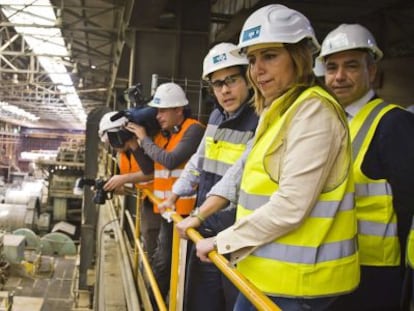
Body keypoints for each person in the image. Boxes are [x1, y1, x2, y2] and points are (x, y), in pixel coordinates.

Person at [179, 4, 360, 310]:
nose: (257, 70)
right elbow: (242, 169)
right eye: (251, 60)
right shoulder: (279, 110)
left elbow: (291, 205)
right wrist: (199, 216)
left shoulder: (313, 111)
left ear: (299, 56)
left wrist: (223, 241)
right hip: (267, 274)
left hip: (301, 284)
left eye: (270, 56)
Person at [318, 23, 414, 311]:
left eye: (351, 66)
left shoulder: (392, 123)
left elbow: (408, 203)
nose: (339, 77)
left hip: (376, 271)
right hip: (334, 263)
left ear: (371, 72)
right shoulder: (332, 121)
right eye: (332, 68)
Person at [159, 43, 258, 311]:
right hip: (204, 230)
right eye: (217, 84)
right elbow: (198, 161)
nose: (225, 90)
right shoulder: (216, 116)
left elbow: (236, 178)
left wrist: (199, 214)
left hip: (237, 238)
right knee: (200, 303)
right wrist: (175, 195)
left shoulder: (260, 119)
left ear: (248, 77)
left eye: (232, 80)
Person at [125, 82, 205, 303]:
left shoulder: (194, 129)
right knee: (164, 264)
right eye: (156, 111)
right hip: (169, 213)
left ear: (179, 110)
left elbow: (170, 160)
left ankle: (153, 304)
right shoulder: (164, 136)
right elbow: (149, 168)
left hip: (186, 214)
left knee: (169, 266)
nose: (158, 116)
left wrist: (144, 138)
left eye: (162, 110)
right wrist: (134, 144)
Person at [98, 111, 162, 260]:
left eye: (111, 141)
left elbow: (152, 172)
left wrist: (123, 178)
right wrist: (120, 188)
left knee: (155, 242)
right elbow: (138, 182)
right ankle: (150, 268)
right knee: (149, 239)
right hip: (148, 199)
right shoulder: (123, 155)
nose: (112, 147)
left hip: (161, 200)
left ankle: (154, 275)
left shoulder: (147, 144)